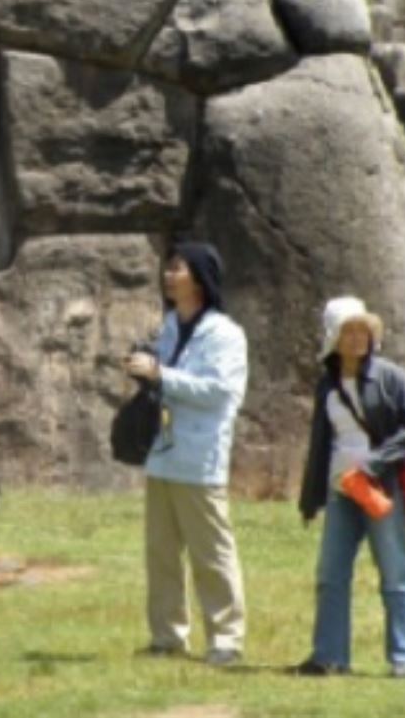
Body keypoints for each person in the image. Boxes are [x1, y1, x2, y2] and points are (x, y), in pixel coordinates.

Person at [125, 241, 248, 666]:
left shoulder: (227, 334)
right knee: (160, 553)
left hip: (199, 458)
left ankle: (226, 639)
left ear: (199, 277)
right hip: (162, 453)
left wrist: (162, 374)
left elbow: (219, 392)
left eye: (178, 268)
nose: (168, 274)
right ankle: (167, 637)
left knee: (211, 553)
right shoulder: (170, 326)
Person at [293, 297, 405, 680]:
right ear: (334, 338)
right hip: (341, 490)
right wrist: (310, 498)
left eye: (363, 330)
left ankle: (403, 657)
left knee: (394, 572)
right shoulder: (327, 385)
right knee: (331, 573)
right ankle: (329, 656)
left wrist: (376, 462)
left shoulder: (390, 376)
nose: (358, 339)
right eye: (349, 331)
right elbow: (321, 444)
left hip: (379, 488)